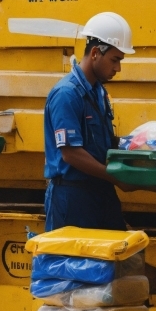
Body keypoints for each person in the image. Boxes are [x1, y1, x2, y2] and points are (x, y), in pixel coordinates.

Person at [43, 12, 136, 232]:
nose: (118, 68)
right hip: (73, 198)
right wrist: (115, 177)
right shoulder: (67, 94)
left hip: (100, 193)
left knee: (112, 262)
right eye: (115, 60)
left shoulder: (98, 93)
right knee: (73, 264)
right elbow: (71, 153)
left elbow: (103, 143)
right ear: (95, 53)